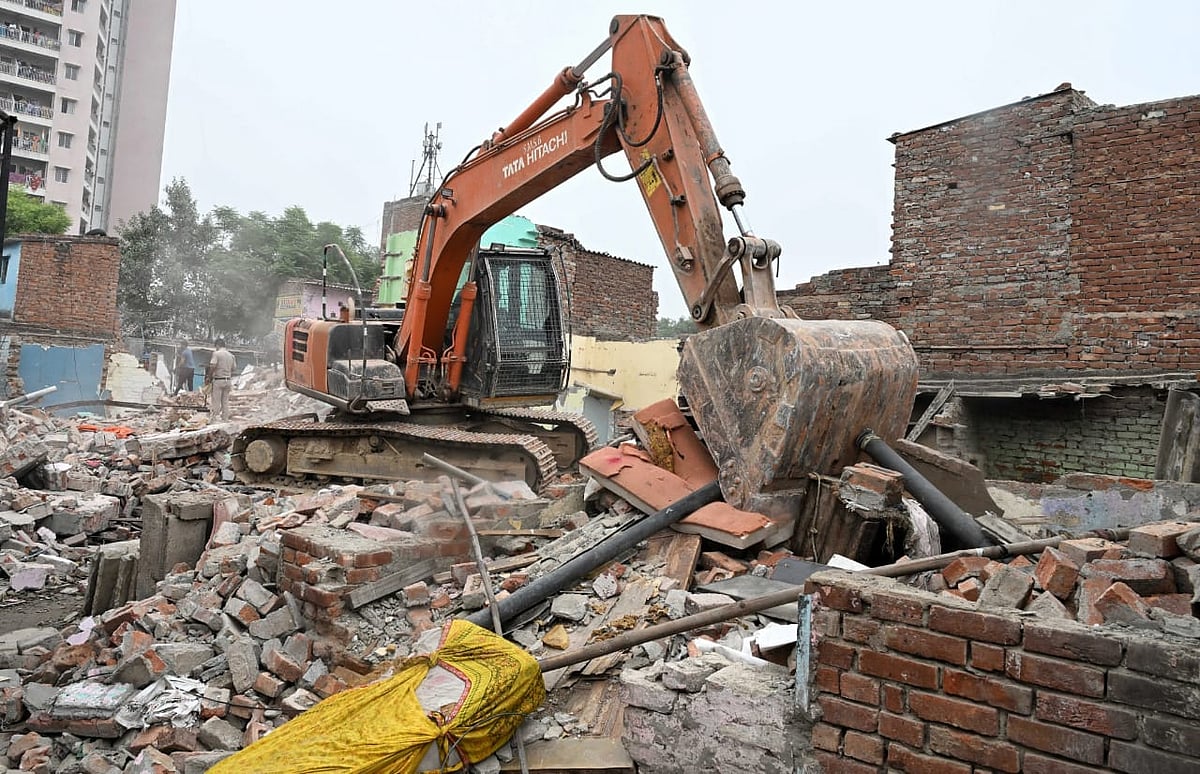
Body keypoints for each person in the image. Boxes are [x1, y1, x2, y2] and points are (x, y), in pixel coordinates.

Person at [205, 338, 237, 420]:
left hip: (218, 380)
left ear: (217, 345)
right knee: (225, 401)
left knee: (216, 401)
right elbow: (234, 368)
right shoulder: (231, 355)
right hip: (228, 380)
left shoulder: (216, 354)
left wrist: (209, 377)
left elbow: (213, 366)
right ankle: (225, 418)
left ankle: (215, 418)